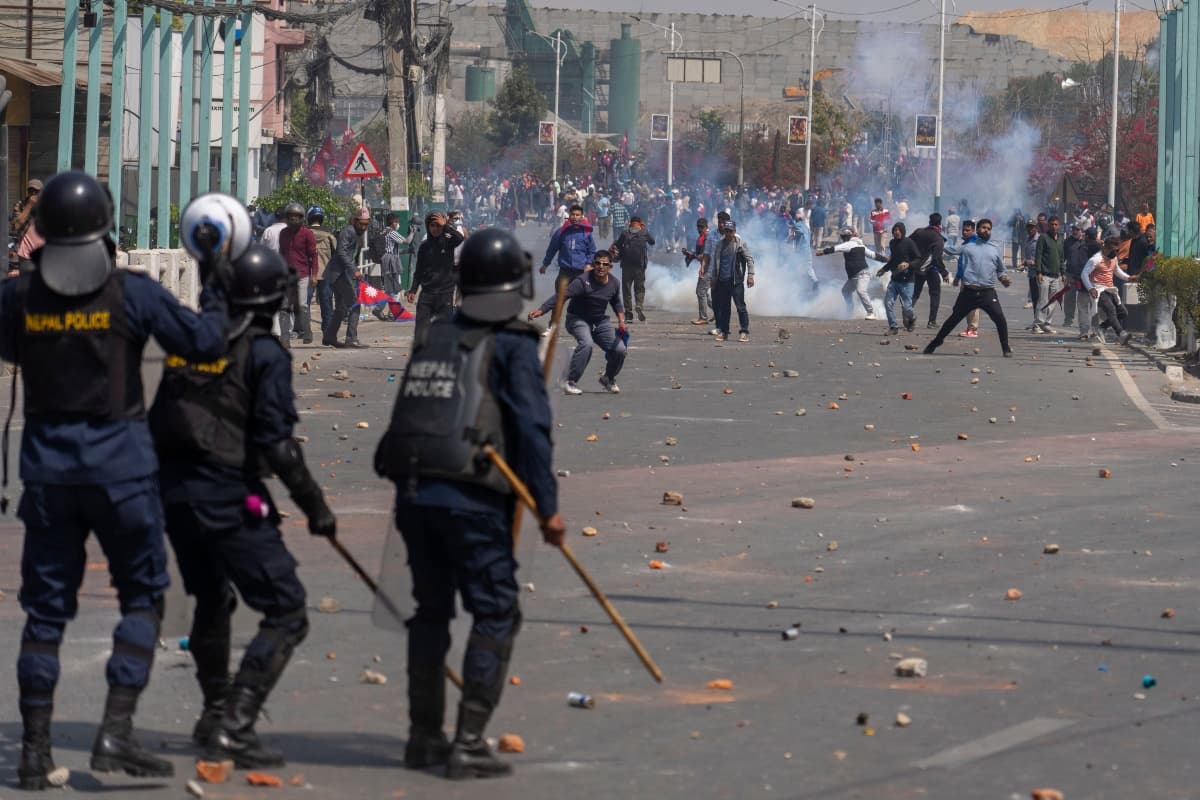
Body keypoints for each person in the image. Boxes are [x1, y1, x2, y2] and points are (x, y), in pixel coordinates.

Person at [0, 171, 230, 790]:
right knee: (144, 596)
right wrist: (212, 280)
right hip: (123, 472)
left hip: (47, 474)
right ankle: (115, 732)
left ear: (41, 231)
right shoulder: (131, 293)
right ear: (106, 228)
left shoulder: (18, 297)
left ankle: (34, 752)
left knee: (45, 615)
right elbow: (207, 346)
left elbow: (10, 349)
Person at [375, 228, 565, 779]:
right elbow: (531, 431)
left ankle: (423, 738)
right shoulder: (512, 343)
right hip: (473, 497)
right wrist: (547, 508)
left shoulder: (435, 334)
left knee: (430, 612)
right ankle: (469, 741)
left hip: (414, 493)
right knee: (496, 608)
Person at [149, 244, 336, 769]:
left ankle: (212, 713)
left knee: (213, 598)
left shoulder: (190, 345)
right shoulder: (265, 352)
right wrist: (315, 506)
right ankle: (235, 724)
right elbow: (278, 445)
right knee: (286, 609)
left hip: (175, 494)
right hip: (229, 496)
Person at [530, 249, 626, 394]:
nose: (601, 267)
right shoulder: (582, 281)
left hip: (599, 322)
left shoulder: (614, 283)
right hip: (577, 319)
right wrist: (542, 309)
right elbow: (561, 296)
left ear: (610, 267)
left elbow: (617, 303)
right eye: (598, 263)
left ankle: (608, 378)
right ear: (593, 264)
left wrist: (621, 320)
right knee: (586, 344)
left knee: (620, 349)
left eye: (605, 264)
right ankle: (569, 381)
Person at [923, 218, 1014, 357]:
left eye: (989, 229)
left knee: (1000, 320)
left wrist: (1004, 279)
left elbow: (1001, 270)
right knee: (953, 320)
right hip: (969, 293)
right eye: (983, 228)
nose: (986, 230)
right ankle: (936, 342)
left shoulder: (995, 249)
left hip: (987, 292)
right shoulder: (967, 247)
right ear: (977, 230)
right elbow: (949, 249)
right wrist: (936, 238)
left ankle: (1005, 348)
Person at [406, 211, 466, 345]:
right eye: (432, 225)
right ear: (428, 226)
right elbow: (419, 270)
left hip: (445, 293)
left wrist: (445, 225)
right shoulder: (424, 246)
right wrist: (413, 290)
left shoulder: (449, 241)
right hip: (427, 293)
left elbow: (460, 239)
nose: (435, 229)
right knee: (421, 329)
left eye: (438, 226)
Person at [322, 207, 370, 348]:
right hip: (338, 274)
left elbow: (352, 255)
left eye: (366, 224)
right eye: (361, 223)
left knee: (341, 308)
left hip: (342, 275)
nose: (363, 227)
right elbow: (341, 253)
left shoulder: (356, 233)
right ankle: (351, 338)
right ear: (355, 221)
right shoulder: (348, 232)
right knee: (355, 305)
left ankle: (329, 337)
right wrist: (355, 270)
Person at [1082, 235, 1137, 345]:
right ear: (1105, 247)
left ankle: (1101, 328)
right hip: (1099, 289)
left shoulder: (1113, 258)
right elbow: (1084, 274)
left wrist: (1129, 278)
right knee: (1111, 308)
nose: (1116, 253)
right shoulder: (1096, 259)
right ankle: (1121, 334)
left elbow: (1116, 271)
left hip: (1110, 289)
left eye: (1117, 250)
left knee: (1122, 312)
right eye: (1113, 250)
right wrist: (1091, 288)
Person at [819, 226, 879, 321]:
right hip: (854, 276)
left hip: (862, 274)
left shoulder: (849, 244)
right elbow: (874, 255)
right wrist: (886, 259)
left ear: (847, 237)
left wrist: (823, 251)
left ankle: (871, 312)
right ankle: (850, 310)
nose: (843, 239)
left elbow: (836, 248)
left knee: (861, 291)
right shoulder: (860, 245)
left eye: (844, 237)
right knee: (846, 291)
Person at [277, 202, 315, 345]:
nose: (293, 219)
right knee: (284, 306)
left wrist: (314, 274)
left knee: (302, 306)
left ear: (302, 218)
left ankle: (307, 331)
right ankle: (285, 338)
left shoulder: (307, 234)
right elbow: (281, 253)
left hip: (303, 275)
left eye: (296, 217)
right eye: (290, 216)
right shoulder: (283, 234)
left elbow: (313, 256)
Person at [710, 219, 755, 342]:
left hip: (736, 281)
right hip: (722, 281)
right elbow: (715, 263)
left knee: (740, 307)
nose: (728, 233)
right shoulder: (720, 244)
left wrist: (750, 275)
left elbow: (749, 259)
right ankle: (724, 332)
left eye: (730, 231)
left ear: (734, 231)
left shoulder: (740, 244)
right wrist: (713, 278)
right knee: (724, 308)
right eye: (726, 231)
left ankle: (744, 332)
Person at [875, 222, 919, 334]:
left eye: (899, 230)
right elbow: (893, 260)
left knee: (907, 307)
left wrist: (908, 264)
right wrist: (884, 269)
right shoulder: (892, 243)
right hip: (894, 280)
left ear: (903, 231)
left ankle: (912, 318)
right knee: (888, 303)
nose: (896, 232)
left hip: (907, 281)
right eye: (895, 230)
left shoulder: (909, 243)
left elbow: (918, 259)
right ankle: (893, 327)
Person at [539, 204, 596, 290]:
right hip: (565, 271)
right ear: (569, 216)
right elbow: (552, 249)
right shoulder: (561, 232)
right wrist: (545, 265)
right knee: (559, 295)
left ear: (581, 217)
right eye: (573, 215)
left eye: (577, 215)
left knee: (581, 297)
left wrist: (588, 264)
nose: (575, 217)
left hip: (581, 271)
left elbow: (592, 251)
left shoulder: (586, 233)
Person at [610, 215, 655, 323]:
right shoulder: (644, 232)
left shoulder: (625, 233)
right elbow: (652, 242)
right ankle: (639, 305)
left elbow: (618, 245)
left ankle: (628, 313)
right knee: (639, 288)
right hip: (639, 266)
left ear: (630, 222)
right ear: (640, 222)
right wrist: (644, 229)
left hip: (626, 266)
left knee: (626, 290)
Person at [909, 214, 949, 328]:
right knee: (935, 294)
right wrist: (944, 273)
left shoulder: (918, 232)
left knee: (915, 293)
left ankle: (908, 315)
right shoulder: (938, 238)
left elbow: (908, 242)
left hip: (917, 268)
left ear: (929, 221)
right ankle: (932, 322)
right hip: (931, 269)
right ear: (940, 223)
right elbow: (937, 259)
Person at [1032, 215, 1064, 333]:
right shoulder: (1043, 238)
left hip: (1056, 276)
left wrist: (1063, 272)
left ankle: (1047, 323)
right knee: (1043, 300)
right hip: (1044, 274)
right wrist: (1038, 272)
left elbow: (1061, 257)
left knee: (1053, 301)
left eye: (1056, 224)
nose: (1054, 227)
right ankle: (1037, 324)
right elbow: (1038, 255)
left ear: (1059, 226)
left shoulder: (1060, 239)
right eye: (1052, 224)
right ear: (1048, 225)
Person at [308, 206, 337, 335]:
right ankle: (327, 330)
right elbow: (337, 253)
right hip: (326, 273)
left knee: (304, 303)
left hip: (308, 274)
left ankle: (303, 330)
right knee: (326, 303)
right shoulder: (329, 235)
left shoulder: (304, 233)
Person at [682, 217, 714, 326]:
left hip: (709, 268)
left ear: (706, 227)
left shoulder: (708, 238)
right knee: (703, 292)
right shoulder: (701, 238)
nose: (700, 229)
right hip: (706, 268)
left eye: (702, 227)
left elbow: (705, 256)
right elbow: (698, 254)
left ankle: (703, 318)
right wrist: (690, 254)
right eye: (698, 227)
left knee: (700, 291)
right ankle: (718, 311)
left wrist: (692, 255)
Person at [382, 213, 408, 296]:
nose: (398, 224)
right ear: (391, 222)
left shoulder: (384, 231)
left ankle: (382, 307)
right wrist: (413, 232)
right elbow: (407, 241)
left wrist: (406, 251)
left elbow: (391, 248)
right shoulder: (392, 232)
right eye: (396, 222)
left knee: (390, 286)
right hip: (391, 261)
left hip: (386, 260)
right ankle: (392, 307)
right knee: (395, 286)